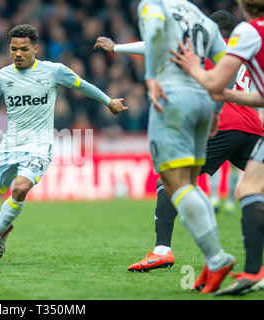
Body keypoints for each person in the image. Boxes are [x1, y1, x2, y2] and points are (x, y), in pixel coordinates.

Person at [0, 24, 128, 262]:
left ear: (35, 48)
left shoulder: (53, 71)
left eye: (24, 49)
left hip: (39, 147)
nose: (18, 54)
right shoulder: (1, 78)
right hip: (8, 145)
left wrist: (108, 101)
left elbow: (81, 85)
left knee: (21, 187)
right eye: (13, 49)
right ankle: (3, 227)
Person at [95, 10, 263, 279]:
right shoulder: (245, 48)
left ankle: (162, 251)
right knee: (256, 191)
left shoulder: (202, 44)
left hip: (221, 123)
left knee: (168, 181)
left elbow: (155, 46)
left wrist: (117, 47)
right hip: (253, 125)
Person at [171, 0, 264, 296]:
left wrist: (192, 68)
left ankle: (247, 270)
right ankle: (253, 271)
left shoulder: (248, 32)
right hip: (253, 124)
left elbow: (214, 80)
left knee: (247, 190)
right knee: (249, 188)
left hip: (232, 126)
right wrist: (225, 94)